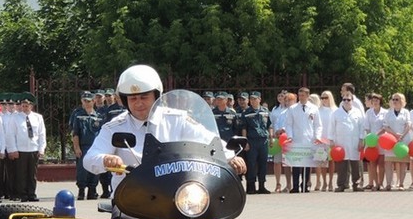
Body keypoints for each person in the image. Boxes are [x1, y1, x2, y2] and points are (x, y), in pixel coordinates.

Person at [83, 64, 246, 194]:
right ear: (125, 101)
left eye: (144, 97)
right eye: (132, 99)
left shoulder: (178, 120)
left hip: (177, 193)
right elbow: (90, 159)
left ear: (156, 96)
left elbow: (209, 140)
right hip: (132, 196)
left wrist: (230, 156)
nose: (138, 103)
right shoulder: (113, 128)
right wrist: (105, 159)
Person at [6, 92, 46, 202]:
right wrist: (13, 149)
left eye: (27, 105)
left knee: (32, 174)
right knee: (21, 174)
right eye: (23, 105)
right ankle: (22, 194)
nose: (25, 107)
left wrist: (41, 148)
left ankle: (31, 194)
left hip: (33, 149)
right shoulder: (15, 118)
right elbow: (11, 135)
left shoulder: (38, 117)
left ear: (31, 106)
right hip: (21, 150)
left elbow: (42, 133)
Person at [284, 87, 322, 193]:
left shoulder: (314, 108)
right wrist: (290, 136)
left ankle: (305, 184)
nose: (301, 97)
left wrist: (317, 136)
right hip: (296, 139)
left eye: (303, 95)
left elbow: (318, 125)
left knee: (307, 164)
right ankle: (295, 186)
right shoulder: (293, 108)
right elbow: (289, 124)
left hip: (309, 139)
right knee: (296, 163)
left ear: (308, 96)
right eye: (299, 95)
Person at [328, 94, 364, 192]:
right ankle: (341, 184)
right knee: (342, 164)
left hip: (354, 141)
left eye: (348, 100)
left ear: (352, 101)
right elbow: (331, 127)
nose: (346, 101)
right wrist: (331, 140)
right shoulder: (336, 113)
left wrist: (361, 139)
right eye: (344, 100)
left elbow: (361, 127)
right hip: (341, 142)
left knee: (355, 163)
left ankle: (356, 184)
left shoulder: (357, 112)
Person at [72, 91, 102, 200]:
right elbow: (75, 133)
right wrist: (76, 147)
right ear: (82, 102)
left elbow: (102, 133)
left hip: (96, 147)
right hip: (84, 146)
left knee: (95, 169)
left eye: (89, 101)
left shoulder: (99, 116)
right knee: (82, 170)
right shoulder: (78, 116)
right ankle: (81, 190)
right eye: (85, 101)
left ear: (94, 101)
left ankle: (92, 190)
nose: (87, 103)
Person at [241, 91, 271, 194]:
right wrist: (245, 142)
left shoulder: (265, 111)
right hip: (252, 141)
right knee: (251, 164)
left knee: (263, 164)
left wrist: (271, 138)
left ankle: (262, 185)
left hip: (263, 140)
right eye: (251, 99)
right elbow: (244, 128)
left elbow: (269, 126)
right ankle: (251, 186)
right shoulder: (246, 112)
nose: (253, 101)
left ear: (259, 99)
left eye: (255, 98)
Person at [383, 93, 412, 191]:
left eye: (397, 99)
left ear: (402, 101)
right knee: (389, 162)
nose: (395, 101)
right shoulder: (388, 113)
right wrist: (395, 135)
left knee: (402, 163)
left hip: (403, 140)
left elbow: (408, 125)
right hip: (390, 140)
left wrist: (402, 135)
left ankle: (401, 183)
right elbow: (385, 126)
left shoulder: (406, 112)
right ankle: (388, 183)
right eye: (393, 99)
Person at [364, 93, 387, 191]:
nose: (375, 102)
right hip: (372, 141)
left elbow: (385, 126)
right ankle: (374, 183)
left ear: (380, 101)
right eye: (373, 100)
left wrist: (377, 135)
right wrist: (370, 138)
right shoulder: (368, 112)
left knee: (381, 164)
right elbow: (367, 127)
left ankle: (380, 183)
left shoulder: (385, 112)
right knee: (372, 163)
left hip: (382, 140)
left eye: (377, 100)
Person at [317, 91, 336, 191]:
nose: (324, 100)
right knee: (323, 162)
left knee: (331, 161)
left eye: (326, 98)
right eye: (322, 98)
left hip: (331, 139)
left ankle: (331, 182)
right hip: (321, 139)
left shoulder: (335, 110)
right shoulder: (318, 110)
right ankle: (324, 182)